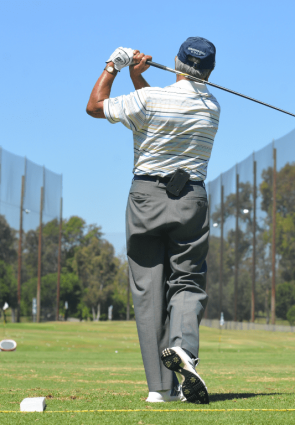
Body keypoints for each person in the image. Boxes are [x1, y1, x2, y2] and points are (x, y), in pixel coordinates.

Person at [85, 37, 220, 404]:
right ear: (209, 71)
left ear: (176, 63)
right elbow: (162, 114)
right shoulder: (212, 106)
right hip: (191, 199)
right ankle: (182, 348)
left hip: (146, 198)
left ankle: (160, 389)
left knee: (148, 290)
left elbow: (95, 106)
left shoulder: (149, 100)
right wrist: (138, 78)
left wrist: (115, 66)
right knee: (187, 281)